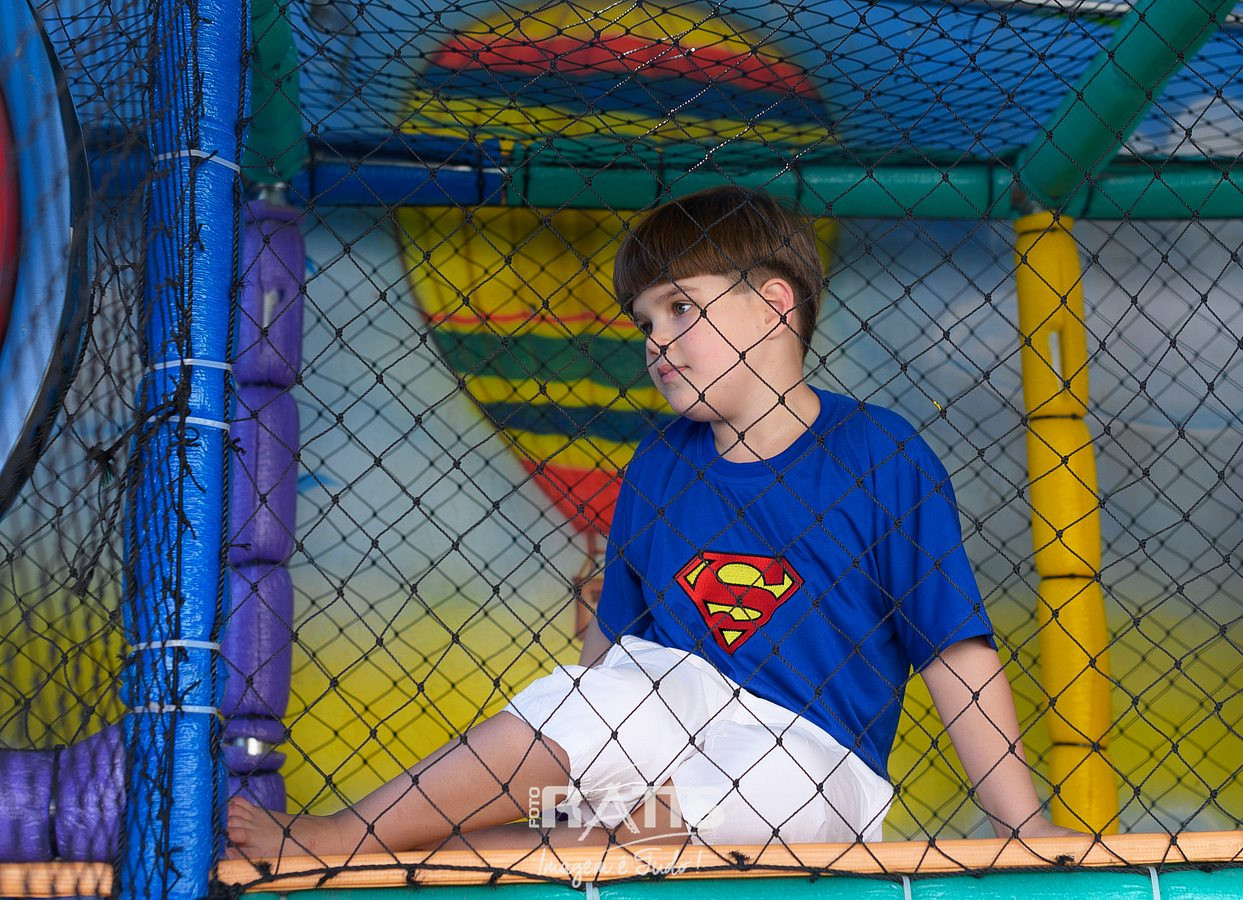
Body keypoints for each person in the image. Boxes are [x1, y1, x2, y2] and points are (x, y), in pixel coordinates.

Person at [228, 186, 1078, 859]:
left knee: (659, 818)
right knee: (584, 718)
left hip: (807, 760)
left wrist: (1020, 825)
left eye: (681, 308)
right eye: (644, 322)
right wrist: (580, 724)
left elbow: (952, 650)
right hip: (668, 724)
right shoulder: (660, 463)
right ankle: (353, 834)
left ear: (773, 305)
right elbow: (612, 664)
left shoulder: (878, 453)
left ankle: (459, 852)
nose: (655, 340)